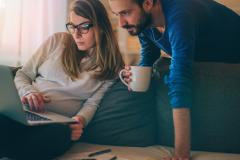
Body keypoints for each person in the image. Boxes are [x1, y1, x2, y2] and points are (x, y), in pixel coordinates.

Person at [107, 0, 240, 159]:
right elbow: (149, 55)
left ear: (148, 3)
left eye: (125, 13)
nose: (121, 23)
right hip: (208, 63)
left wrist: (181, 154)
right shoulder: (144, 23)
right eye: (117, 15)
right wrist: (138, 75)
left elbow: (180, 78)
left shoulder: (180, 14)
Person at [0, 0, 124, 159]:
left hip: (56, 126)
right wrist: (29, 91)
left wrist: (80, 120)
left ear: (101, 27)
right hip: (25, 112)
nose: (76, 34)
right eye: (72, 26)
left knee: (60, 135)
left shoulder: (111, 68)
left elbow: (93, 102)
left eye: (84, 27)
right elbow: (23, 74)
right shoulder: (57, 41)